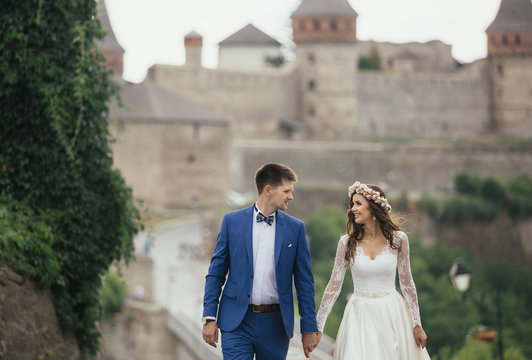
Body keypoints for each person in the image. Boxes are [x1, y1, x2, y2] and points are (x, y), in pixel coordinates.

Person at [202, 163, 319, 359]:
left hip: (276, 325)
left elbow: (304, 282)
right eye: (287, 191)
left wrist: (309, 327)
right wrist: (209, 317)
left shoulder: (295, 229)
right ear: (268, 190)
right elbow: (215, 274)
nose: (291, 196)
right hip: (236, 322)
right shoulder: (232, 222)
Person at [316, 181, 430, 359]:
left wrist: (417, 324)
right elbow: (334, 286)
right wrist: (318, 327)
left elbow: (407, 283)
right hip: (359, 314)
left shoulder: (399, 240)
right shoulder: (346, 243)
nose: (353, 208)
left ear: (374, 207)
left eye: (358, 203)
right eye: (352, 204)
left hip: (392, 314)